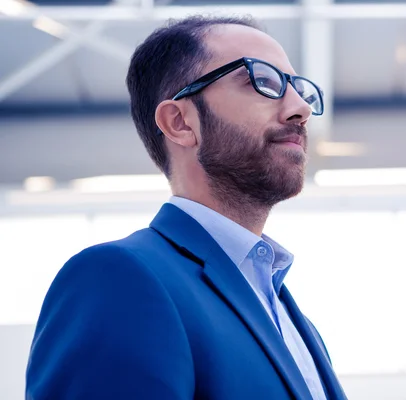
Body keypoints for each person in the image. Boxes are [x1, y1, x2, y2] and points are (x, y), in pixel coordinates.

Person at [25, 14, 347, 400]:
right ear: (179, 122)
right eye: (261, 81)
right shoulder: (119, 280)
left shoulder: (296, 323)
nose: (300, 109)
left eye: (299, 89)